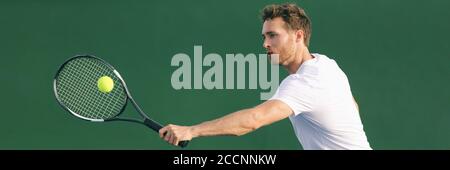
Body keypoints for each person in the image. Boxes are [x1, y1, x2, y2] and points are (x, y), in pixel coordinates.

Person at [159, 3, 371, 150]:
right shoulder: (326, 64)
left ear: (298, 36)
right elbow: (353, 107)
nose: (265, 44)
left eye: (273, 36)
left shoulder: (304, 82)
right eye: (264, 36)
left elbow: (253, 120)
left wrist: (191, 130)